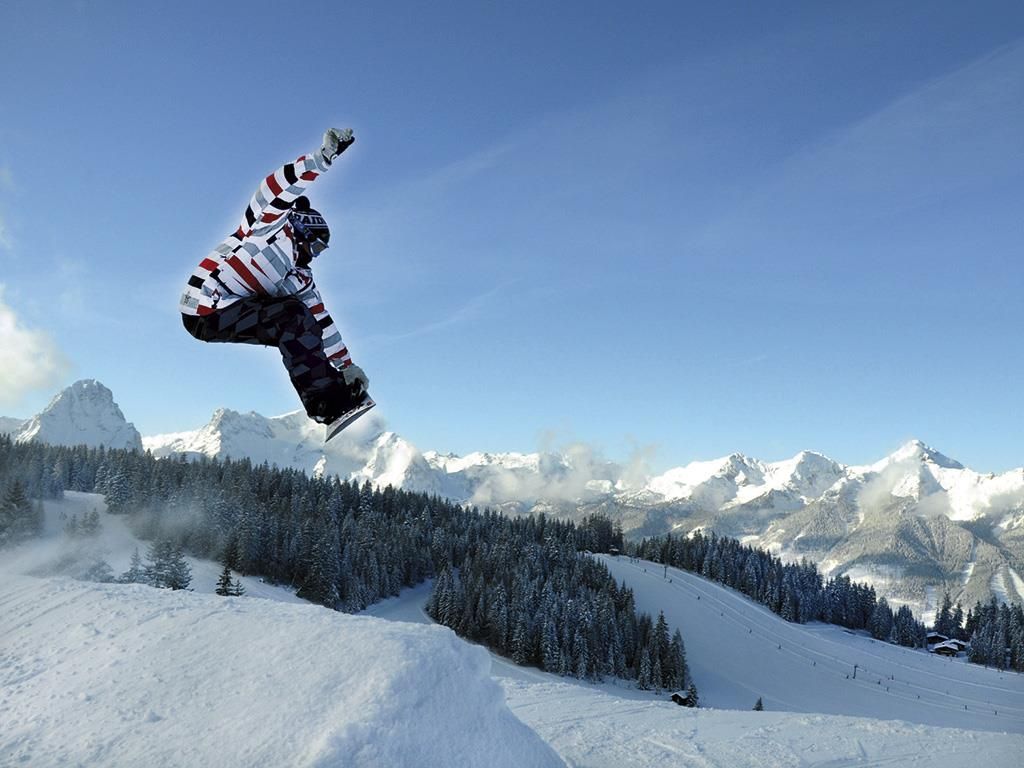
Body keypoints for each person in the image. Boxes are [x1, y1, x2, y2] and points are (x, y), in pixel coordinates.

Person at [179, 128, 368, 424]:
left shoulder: (299, 277)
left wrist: (346, 366)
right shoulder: (269, 228)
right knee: (293, 317)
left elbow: (322, 321)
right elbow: (274, 190)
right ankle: (323, 403)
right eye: (315, 246)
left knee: (301, 318)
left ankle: (335, 394)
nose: (314, 255)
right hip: (205, 305)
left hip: (233, 310)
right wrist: (320, 159)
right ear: (302, 230)